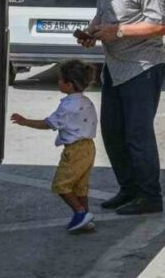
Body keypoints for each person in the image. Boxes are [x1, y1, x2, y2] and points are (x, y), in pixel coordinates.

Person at [78, 0, 165, 215]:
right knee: (113, 132)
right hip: (115, 68)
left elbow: (160, 25)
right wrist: (92, 31)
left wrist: (118, 31)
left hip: (142, 66)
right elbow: (102, 14)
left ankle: (150, 195)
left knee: (138, 134)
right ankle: (128, 188)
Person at [10, 60, 99, 232]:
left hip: (74, 150)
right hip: (89, 147)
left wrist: (25, 121)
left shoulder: (67, 106)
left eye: (60, 80)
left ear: (69, 84)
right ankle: (86, 215)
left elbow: (49, 124)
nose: (58, 82)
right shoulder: (86, 101)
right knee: (81, 186)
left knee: (62, 185)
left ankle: (80, 212)